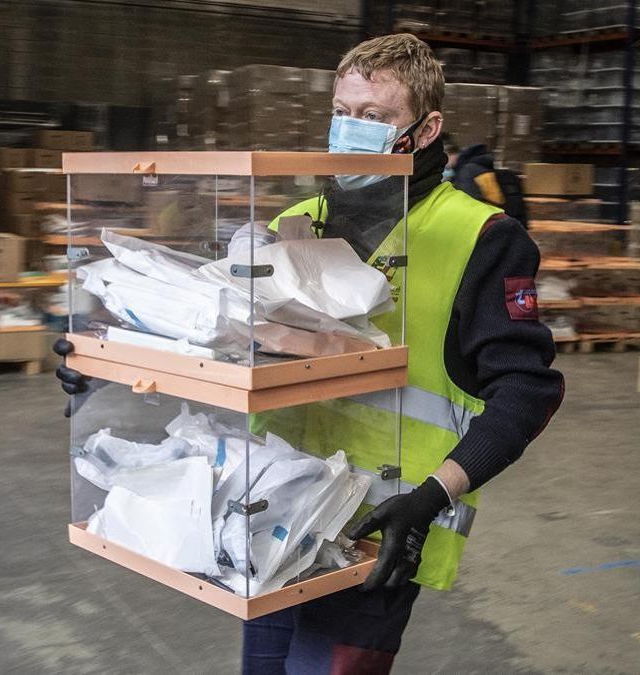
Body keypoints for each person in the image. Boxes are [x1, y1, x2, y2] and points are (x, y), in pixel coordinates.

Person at [54, 33, 564, 674]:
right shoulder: (294, 222)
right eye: (342, 112)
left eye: (374, 118)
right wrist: (105, 357)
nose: (350, 130)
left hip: (378, 525)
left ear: (426, 128)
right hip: (271, 504)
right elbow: (215, 333)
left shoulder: (481, 238)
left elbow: (528, 391)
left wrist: (432, 497)